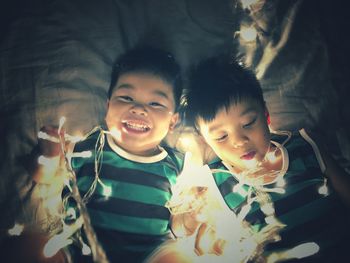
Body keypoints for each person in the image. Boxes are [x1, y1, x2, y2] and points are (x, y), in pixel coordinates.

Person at [15, 45, 185, 263]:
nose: (139, 109)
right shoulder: (86, 148)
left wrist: (190, 219)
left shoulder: (177, 164)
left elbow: (179, 219)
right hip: (77, 249)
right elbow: (43, 177)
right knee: (26, 245)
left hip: (148, 254)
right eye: (126, 97)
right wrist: (49, 156)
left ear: (173, 122)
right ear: (107, 107)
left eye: (156, 103)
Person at [181, 55, 350, 262]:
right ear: (206, 141)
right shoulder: (215, 185)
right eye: (221, 136)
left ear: (266, 114)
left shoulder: (306, 147)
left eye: (248, 123)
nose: (240, 141)